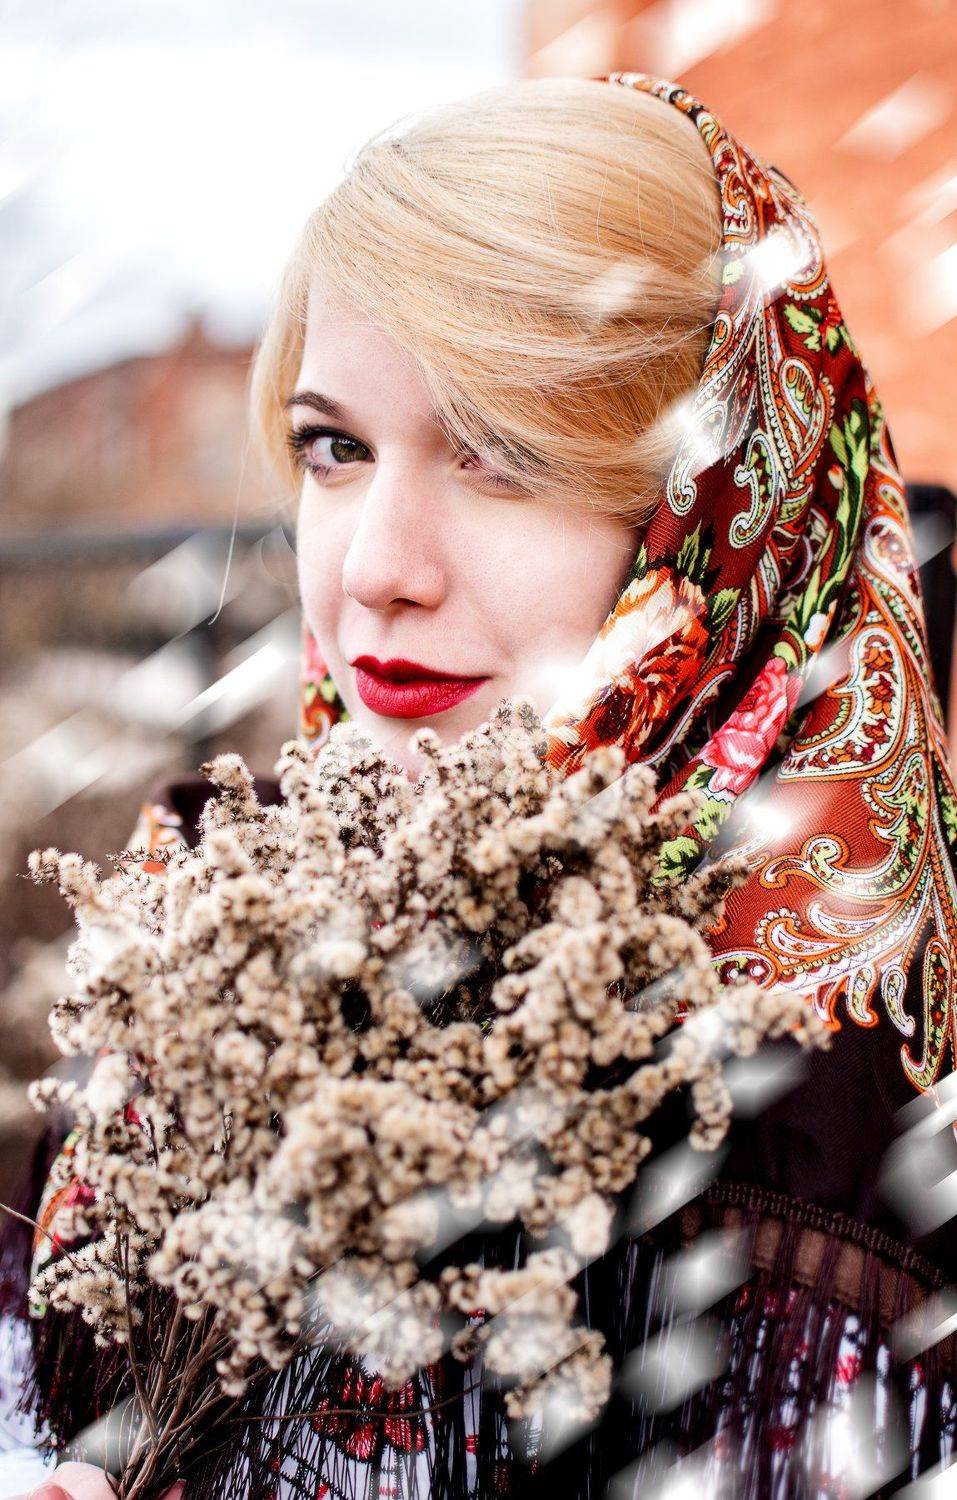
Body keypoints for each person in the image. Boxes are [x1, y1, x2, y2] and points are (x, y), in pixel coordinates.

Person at [1, 69, 955, 1498]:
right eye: (335, 448)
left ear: (715, 506)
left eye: (502, 459)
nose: (377, 569)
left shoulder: (826, 1084)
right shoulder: (200, 918)